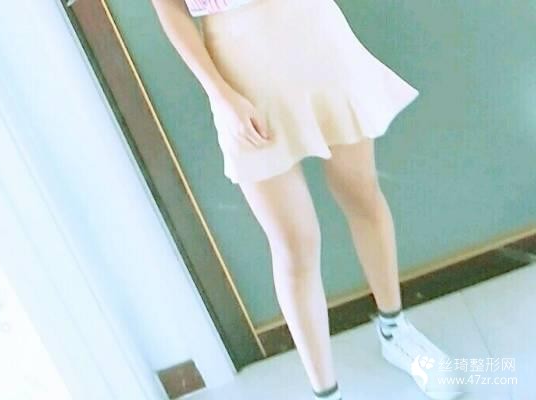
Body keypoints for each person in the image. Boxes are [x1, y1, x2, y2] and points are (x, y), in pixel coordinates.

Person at [150, 0, 463, 399]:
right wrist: (221, 95)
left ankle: (395, 331)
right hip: (237, 64)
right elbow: (169, 9)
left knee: (361, 194)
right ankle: (326, 392)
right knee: (294, 244)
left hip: (317, 35)